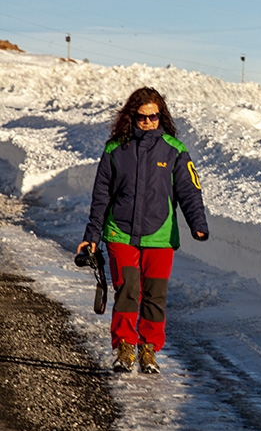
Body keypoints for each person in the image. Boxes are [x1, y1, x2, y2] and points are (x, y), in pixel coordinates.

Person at [77, 87, 209, 374]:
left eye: (154, 117)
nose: (148, 122)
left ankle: (148, 348)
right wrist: (91, 237)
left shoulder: (175, 150)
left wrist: (197, 223)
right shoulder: (115, 150)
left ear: (161, 116)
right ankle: (125, 345)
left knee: (155, 293)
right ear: (130, 117)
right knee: (128, 289)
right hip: (120, 232)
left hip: (160, 235)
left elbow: (190, 192)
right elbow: (101, 196)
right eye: (142, 117)